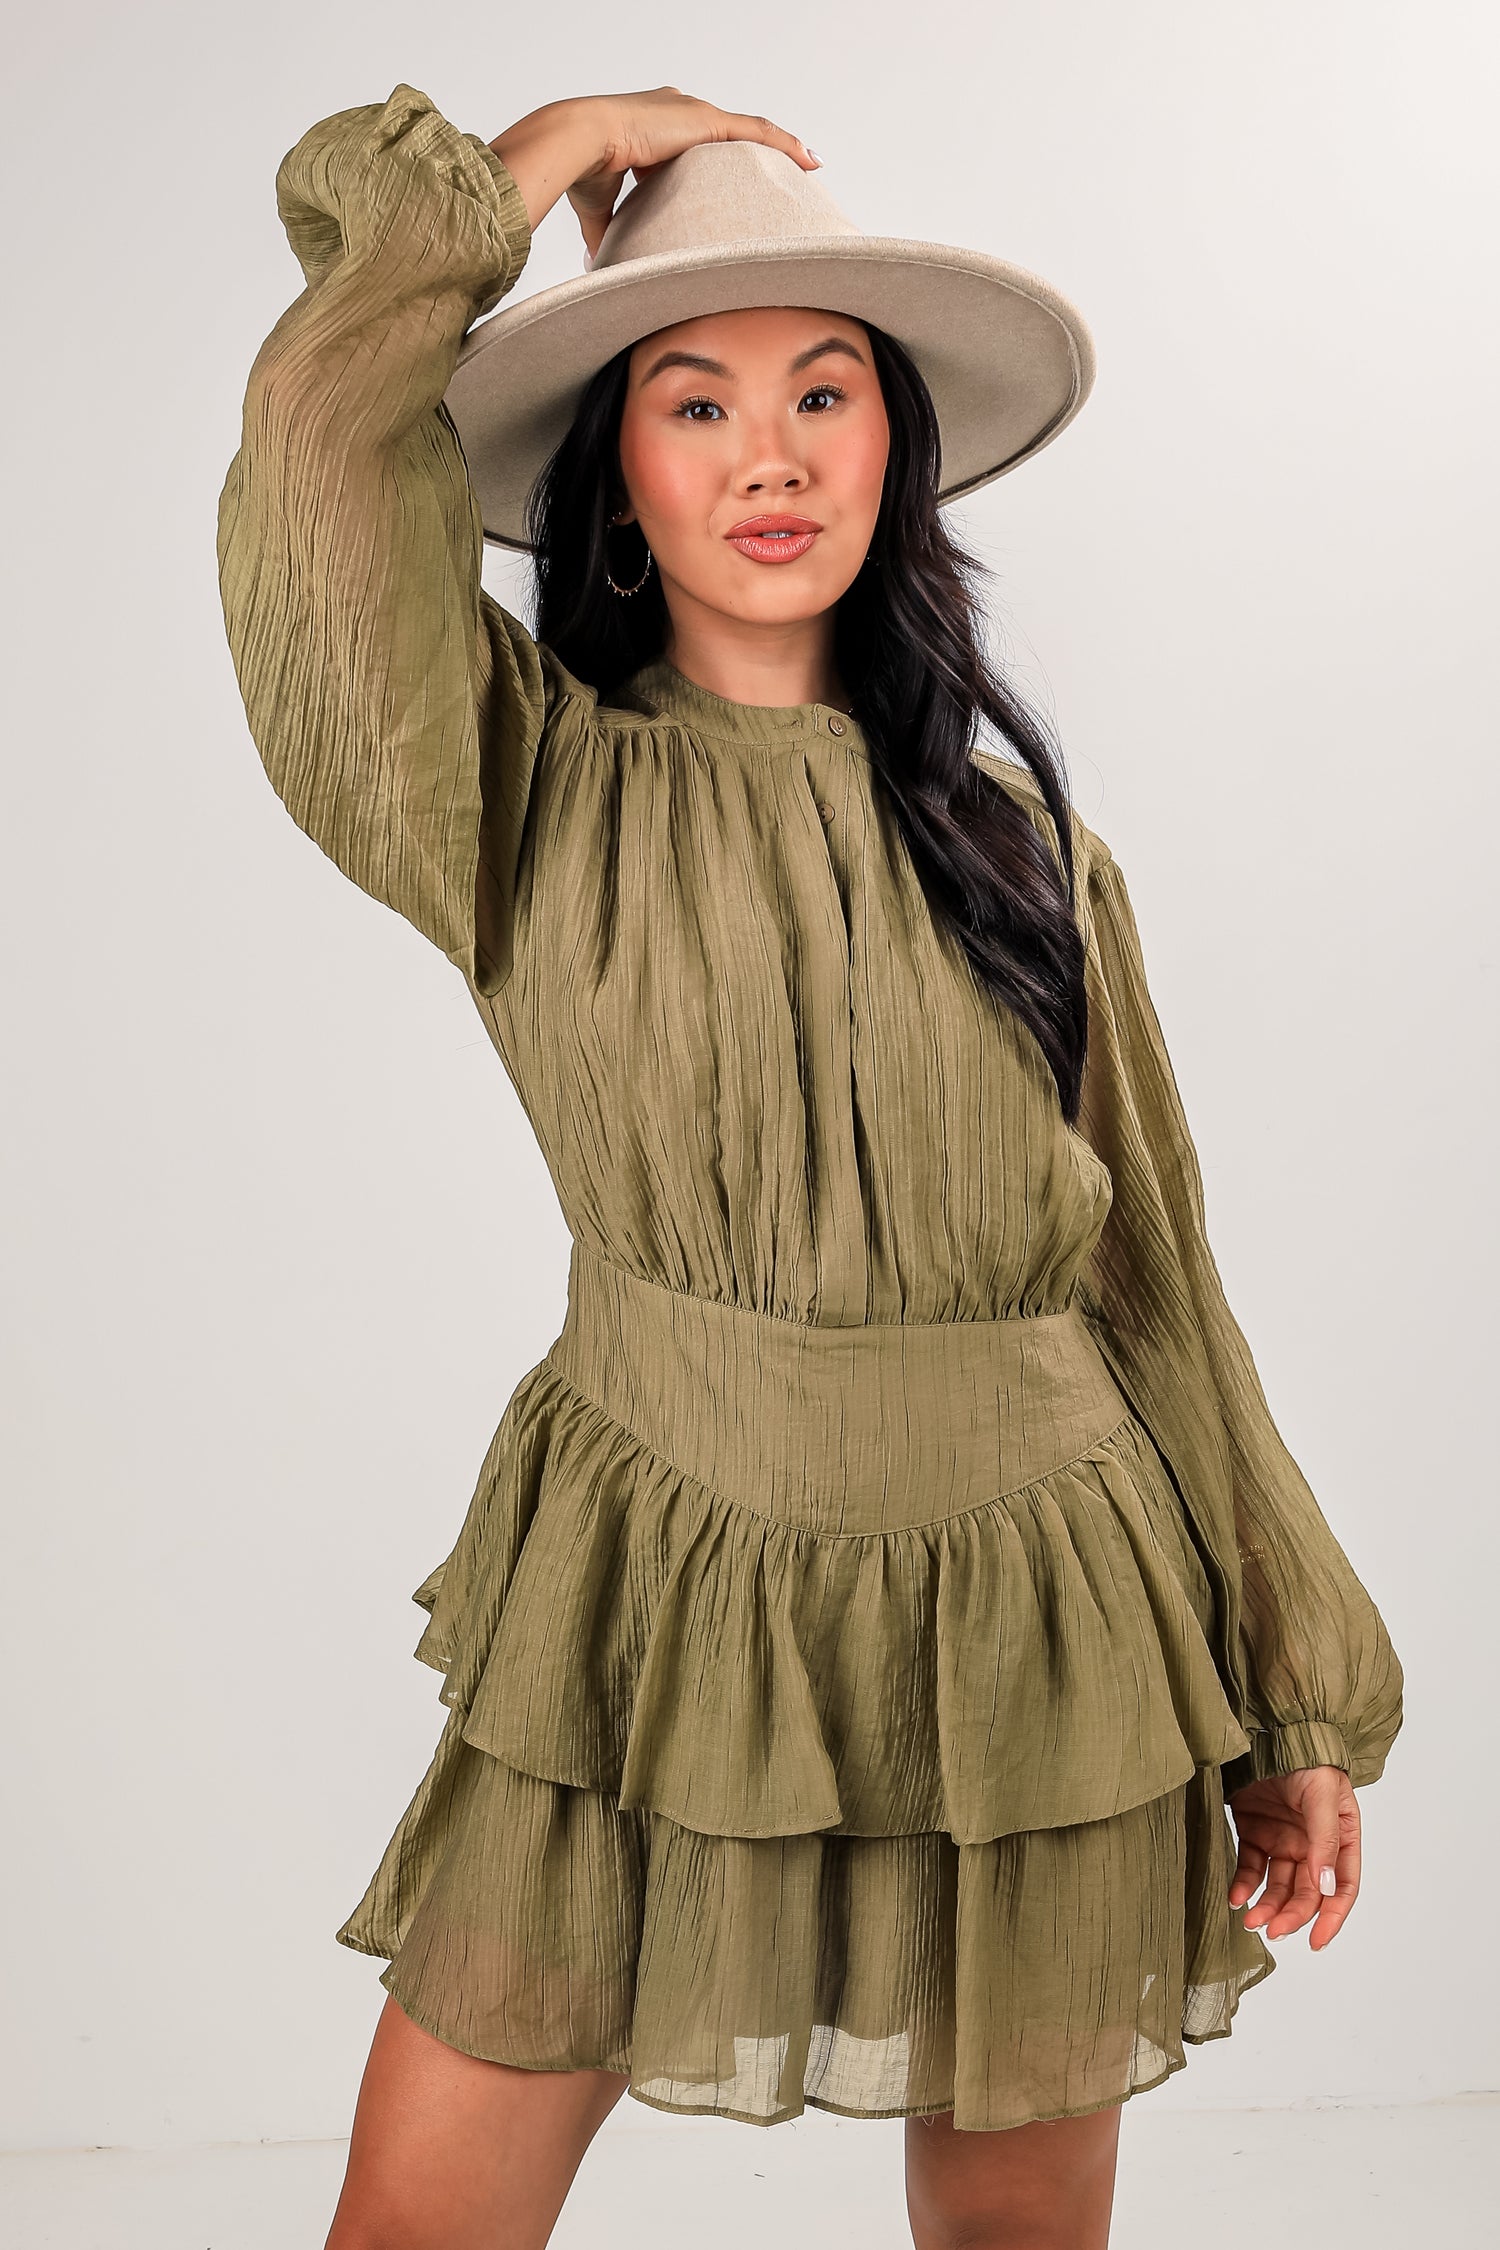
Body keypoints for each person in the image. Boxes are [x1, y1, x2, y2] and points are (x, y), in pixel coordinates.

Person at [216, 79, 1404, 2250]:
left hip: (1049, 1616)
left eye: (822, 395)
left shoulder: (1026, 854)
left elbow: (1157, 1286)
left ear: (894, 446)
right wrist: (552, 147)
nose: (769, 457)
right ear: (617, 475)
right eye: (696, 402)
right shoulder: (516, 787)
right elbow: (315, 468)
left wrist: (1292, 1681)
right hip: (656, 1587)